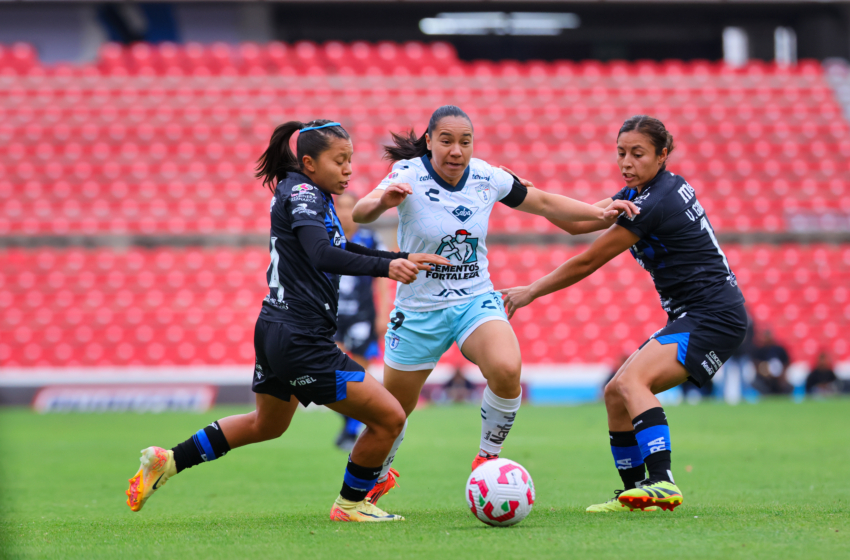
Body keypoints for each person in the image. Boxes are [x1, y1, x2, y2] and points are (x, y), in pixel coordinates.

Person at [124, 119, 449, 522]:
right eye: (340, 160)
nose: (349, 169)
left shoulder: (306, 191)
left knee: (267, 424)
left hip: (277, 328)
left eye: (351, 160)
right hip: (301, 337)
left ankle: (169, 460)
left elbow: (334, 246)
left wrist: (396, 258)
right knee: (390, 418)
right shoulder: (304, 195)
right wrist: (388, 270)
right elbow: (322, 254)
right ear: (310, 163)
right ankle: (351, 505)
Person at [351, 105, 638, 504]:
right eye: (447, 141)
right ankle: (375, 477)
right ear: (430, 141)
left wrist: (601, 212)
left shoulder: (489, 177)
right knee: (393, 412)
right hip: (417, 310)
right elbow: (360, 211)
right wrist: (385, 200)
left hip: (475, 299)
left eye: (465, 142)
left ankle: (487, 459)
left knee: (506, 369)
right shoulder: (408, 175)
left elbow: (548, 206)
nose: (456, 150)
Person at [501, 115, 747, 513]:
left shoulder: (656, 201)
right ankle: (638, 495)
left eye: (637, 153)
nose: (626, 162)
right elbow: (576, 223)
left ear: (662, 154)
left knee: (634, 382)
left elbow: (588, 260)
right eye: (621, 153)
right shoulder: (646, 192)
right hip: (697, 314)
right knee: (616, 393)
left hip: (712, 314)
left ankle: (663, 481)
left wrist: (530, 291)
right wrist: (527, 194)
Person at [332, 193, 392, 451]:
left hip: (362, 317)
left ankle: (350, 430)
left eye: (349, 207)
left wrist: (383, 313)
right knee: (332, 375)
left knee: (358, 375)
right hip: (330, 316)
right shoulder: (323, 237)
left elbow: (383, 277)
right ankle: (351, 424)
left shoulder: (369, 238)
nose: (345, 213)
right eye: (340, 207)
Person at [752, 330, 792, 395]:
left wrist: (782, 375)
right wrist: (764, 372)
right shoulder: (760, 350)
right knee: (755, 383)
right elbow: (756, 364)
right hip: (764, 378)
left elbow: (786, 363)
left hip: (779, 377)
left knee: (788, 386)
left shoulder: (779, 349)